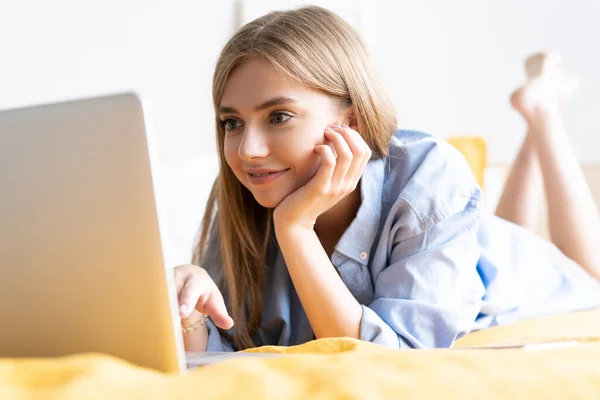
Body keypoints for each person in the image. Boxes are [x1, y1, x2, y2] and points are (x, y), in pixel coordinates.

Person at [173, 6, 600, 352]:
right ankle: (537, 112)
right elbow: (226, 348)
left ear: (351, 120)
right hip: (481, 249)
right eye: (232, 123)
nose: (248, 150)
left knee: (589, 273)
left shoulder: (427, 173)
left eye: (279, 116)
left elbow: (390, 356)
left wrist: (295, 227)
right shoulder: (248, 189)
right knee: (505, 229)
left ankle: (542, 116)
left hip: (520, 273)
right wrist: (188, 312)